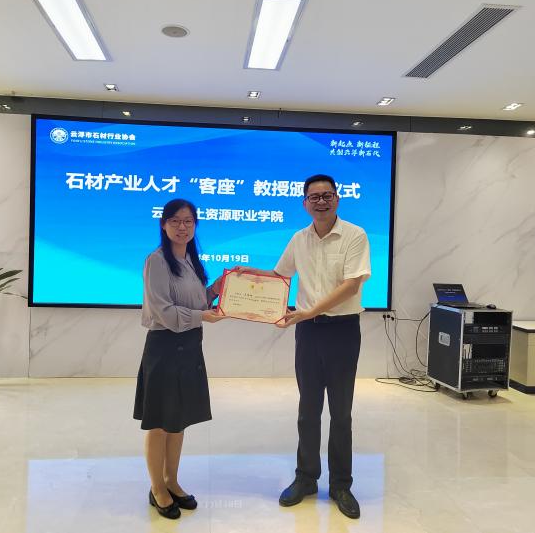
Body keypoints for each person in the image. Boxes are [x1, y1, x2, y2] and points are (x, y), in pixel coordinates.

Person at [245, 174, 370, 519]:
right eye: (314, 197)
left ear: (337, 199)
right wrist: (243, 276)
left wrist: (310, 311)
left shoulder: (355, 235)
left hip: (343, 330)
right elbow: (279, 276)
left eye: (327, 195)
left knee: (341, 412)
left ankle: (341, 484)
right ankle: (306, 478)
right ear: (305, 203)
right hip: (308, 333)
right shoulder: (299, 239)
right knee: (308, 409)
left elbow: (351, 285)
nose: (321, 201)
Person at [134, 198, 225, 520]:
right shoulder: (157, 261)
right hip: (164, 348)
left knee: (178, 421)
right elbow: (164, 311)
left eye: (188, 221)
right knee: (159, 423)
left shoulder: (191, 260)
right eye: (175, 221)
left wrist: (218, 289)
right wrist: (203, 316)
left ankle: (172, 481)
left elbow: (197, 302)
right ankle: (157, 487)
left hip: (190, 346)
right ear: (163, 224)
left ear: (195, 225)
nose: (182, 227)